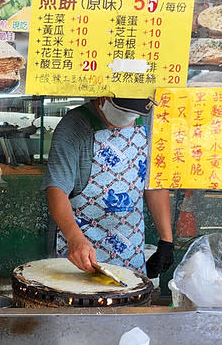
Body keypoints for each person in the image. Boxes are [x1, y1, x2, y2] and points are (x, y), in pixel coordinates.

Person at [42, 96, 174, 278]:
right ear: (105, 98)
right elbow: (56, 189)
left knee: (129, 298)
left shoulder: (150, 121)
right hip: (79, 249)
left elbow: (154, 183)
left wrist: (166, 241)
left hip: (130, 247)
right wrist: (75, 239)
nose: (128, 119)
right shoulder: (74, 124)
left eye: (134, 114)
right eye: (123, 112)